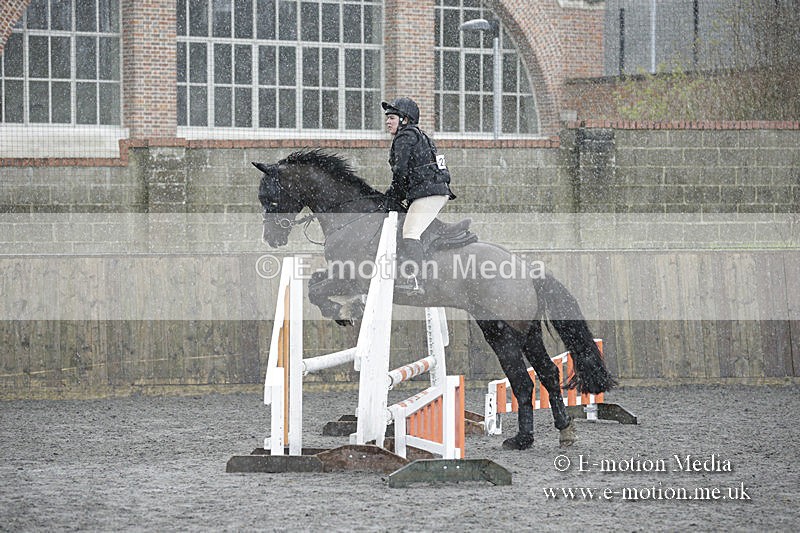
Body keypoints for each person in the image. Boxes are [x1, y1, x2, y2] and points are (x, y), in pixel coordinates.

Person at [381, 97, 456, 296]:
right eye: (387, 117)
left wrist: (392, 196)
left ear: (404, 119)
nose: (388, 121)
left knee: (411, 232)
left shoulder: (405, 137)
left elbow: (400, 172)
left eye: (392, 117)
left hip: (429, 192)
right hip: (432, 190)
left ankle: (415, 280)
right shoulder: (420, 136)